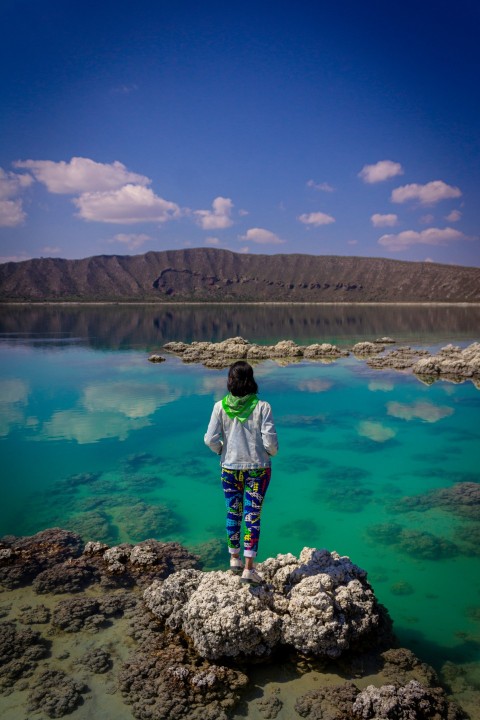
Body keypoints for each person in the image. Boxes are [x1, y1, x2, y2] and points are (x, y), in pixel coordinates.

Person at [204, 360, 278, 584]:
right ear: (251, 380)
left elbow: (209, 439)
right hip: (258, 469)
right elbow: (271, 442)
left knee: (232, 512)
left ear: (230, 381)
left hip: (229, 468)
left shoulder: (219, 407)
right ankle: (249, 568)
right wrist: (269, 453)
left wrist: (222, 452)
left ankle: (233, 558)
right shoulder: (263, 407)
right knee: (252, 515)